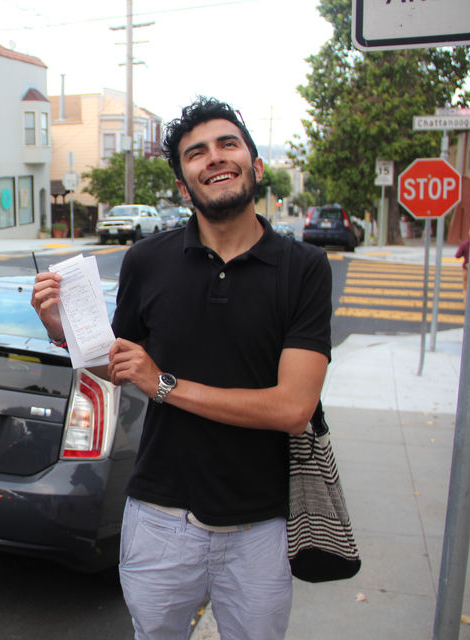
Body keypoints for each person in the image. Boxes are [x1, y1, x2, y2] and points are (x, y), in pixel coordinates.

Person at [31, 97, 333, 640]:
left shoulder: (303, 268)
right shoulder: (147, 260)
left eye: (228, 144)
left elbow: (293, 408)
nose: (214, 158)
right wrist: (61, 329)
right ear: (183, 183)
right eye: (196, 153)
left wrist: (163, 383)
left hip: (261, 524)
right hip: (160, 517)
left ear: (255, 166)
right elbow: (119, 365)